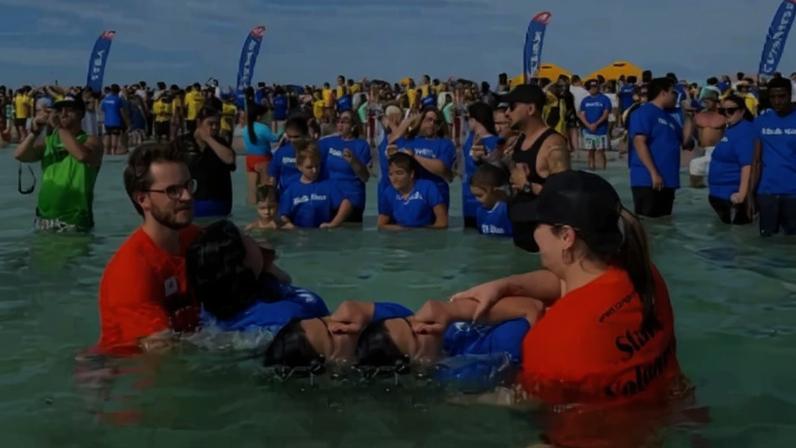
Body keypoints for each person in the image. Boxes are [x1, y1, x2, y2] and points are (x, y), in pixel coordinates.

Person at [451, 171, 683, 419]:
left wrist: (459, 399)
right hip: (670, 409)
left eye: (537, 225)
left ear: (566, 237)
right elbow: (575, 282)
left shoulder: (551, 338)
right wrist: (506, 285)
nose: (534, 234)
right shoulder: (644, 274)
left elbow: (528, 400)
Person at [96, 143, 201, 355]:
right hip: (131, 371)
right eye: (173, 191)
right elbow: (162, 350)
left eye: (188, 186)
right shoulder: (131, 269)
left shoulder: (194, 237)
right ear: (143, 199)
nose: (187, 197)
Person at [187, 220, 326, 336]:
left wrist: (266, 266)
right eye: (246, 237)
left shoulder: (211, 309)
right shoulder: (286, 316)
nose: (254, 240)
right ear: (241, 261)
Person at [14, 94, 102, 231]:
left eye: (69, 110)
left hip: (75, 222)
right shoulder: (49, 142)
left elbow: (81, 155)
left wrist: (59, 127)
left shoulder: (91, 141)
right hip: (44, 220)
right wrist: (35, 132)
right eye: (59, 110)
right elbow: (20, 155)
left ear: (81, 114)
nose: (63, 113)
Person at [628, 77, 694, 218]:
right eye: (673, 92)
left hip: (668, 180)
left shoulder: (670, 118)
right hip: (648, 180)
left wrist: (688, 116)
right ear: (663, 93)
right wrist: (654, 173)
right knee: (648, 225)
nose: (675, 96)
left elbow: (686, 143)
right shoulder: (643, 112)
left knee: (664, 226)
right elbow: (639, 143)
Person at [502, 84, 570, 217]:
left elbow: (564, 194)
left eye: (512, 107)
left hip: (544, 232)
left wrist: (528, 186)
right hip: (520, 228)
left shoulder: (553, 144)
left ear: (531, 109)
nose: (506, 113)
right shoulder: (518, 140)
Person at [751, 76, 796, 236]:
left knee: (791, 244)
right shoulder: (760, 122)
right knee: (766, 241)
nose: (777, 101)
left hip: (793, 193)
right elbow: (756, 161)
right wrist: (751, 194)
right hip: (766, 192)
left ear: (790, 95)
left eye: (781, 96)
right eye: (773, 97)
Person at [389, 107, 456, 208]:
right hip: (412, 197)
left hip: (437, 195)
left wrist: (415, 156)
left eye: (436, 121)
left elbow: (442, 168)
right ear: (420, 121)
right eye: (428, 120)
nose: (432, 124)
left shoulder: (445, 143)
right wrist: (410, 120)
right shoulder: (409, 141)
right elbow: (392, 140)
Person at [278, 140, 352, 229]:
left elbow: (347, 203)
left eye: (317, 166)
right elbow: (282, 214)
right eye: (309, 167)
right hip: (300, 235)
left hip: (322, 234)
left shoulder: (328, 185)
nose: (314, 170)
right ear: (299, 166)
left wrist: (334, 223)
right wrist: (289, 225)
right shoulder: (291, 189)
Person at [179, 106, 236, 219]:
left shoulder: (221, 143)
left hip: (219, 203)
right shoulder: (182, 143)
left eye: (217, 124)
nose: (215, 127)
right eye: (211, 124)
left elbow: (230, 159)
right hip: (191, 202)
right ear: (199, 122)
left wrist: (208, 139)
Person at [707, 95, 755, 225]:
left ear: (742, 111)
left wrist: (742, 194)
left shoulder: (745, 131)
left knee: (737, 239)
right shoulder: (732, 128)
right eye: (723, 111)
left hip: (733, 198)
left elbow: (747, 165)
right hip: (721, 195)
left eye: (731, 110)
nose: (726, 114)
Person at [318, 110, 371, 222]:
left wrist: (353, 161)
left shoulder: (361, 145)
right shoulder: (327, 142)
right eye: (339, 120)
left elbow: (365, 177)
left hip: (352, 199)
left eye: (345, 121)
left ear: (353, 126)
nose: (340, 123)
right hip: (330, 198)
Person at [378, 153, 448, 230]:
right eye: (390, 174)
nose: (394, 179)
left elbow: (442, 223)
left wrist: (420, 232)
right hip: (400, 237)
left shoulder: (428, 187)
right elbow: (381, 225)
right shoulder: (388, 192)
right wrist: (401, 229)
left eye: (399, 173)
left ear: (411, 174)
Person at [461, 102, 500, 228]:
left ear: (474, 120)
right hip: (468, 198)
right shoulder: (471, 138)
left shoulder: (496, 142)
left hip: (485, 200)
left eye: (468, 119)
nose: (467, 122)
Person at [243, 92, 279, 204]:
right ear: (259, 117)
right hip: (263, 159)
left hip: (249, 159)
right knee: (265, 189)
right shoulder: (262, 128)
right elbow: (274, 138)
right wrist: (282, 131)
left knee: (252, 191)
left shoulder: (245, 128)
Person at [689, 90, 725, 187]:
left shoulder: (723, 117)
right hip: (701, 149)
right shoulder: (698, 117)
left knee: (717, 181)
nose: (706, 103)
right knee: (695, 181)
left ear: (716, 102)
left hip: (717, 150)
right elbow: (691, 132)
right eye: (705, 101)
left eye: (709, 100)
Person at [268, 116, 310, 193]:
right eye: (289, 136)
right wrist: (270, 196)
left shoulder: (313, 152)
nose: (292, 140)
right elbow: (273, 177)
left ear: (305, 135)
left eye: (296, 137)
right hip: (285, 195)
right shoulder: (280, 153)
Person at [469, 164, 512, 237]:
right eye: (474, 195)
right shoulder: (479, 211)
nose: (476, 199)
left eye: (480, 195)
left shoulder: (507, 210)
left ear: (495, 191)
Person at [578, 79, 612, 170]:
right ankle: (591, 169)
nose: (593, 89)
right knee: (590, 151)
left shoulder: (605, 99)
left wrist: (596, 124)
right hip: (588, 130)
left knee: (600, 151)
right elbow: (582, 115)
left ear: (598, 87)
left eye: (595, 87)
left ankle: (603, 171)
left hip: (601, 130)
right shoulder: (585, 100)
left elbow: (606, 114)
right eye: (591, 87)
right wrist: (588, 125)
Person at [100, 84, 127, 155]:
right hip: (116, 120)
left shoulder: (105, 99)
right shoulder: (118, 99)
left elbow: (103, 109)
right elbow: (122, 111)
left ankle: (106, 151)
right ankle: (113, 151)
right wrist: (126, 120)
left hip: (107, 121)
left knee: (108, 135)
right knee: (115, 135)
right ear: (118, 91)